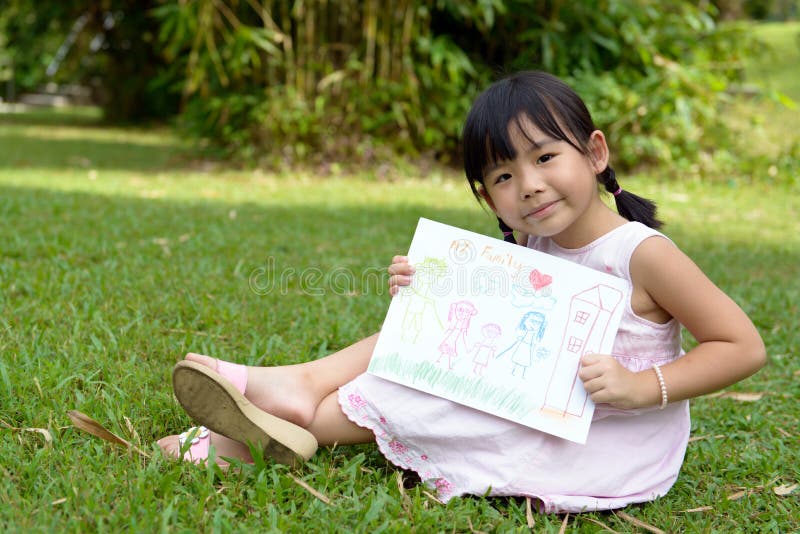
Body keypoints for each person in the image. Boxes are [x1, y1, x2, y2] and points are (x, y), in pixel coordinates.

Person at [157, 71, 766, 513]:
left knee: (425, 393)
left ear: (595, 152)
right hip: (533, 401)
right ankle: (293, 396)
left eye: (546, 157)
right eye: (504, 175)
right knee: (423, 349)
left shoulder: (642, 253)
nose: (529, 185)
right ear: (486, 196)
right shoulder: (535, 251)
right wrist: (423, 293)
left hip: (604, 436)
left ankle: (252, 430)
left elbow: (740, 345)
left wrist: (641, 387)